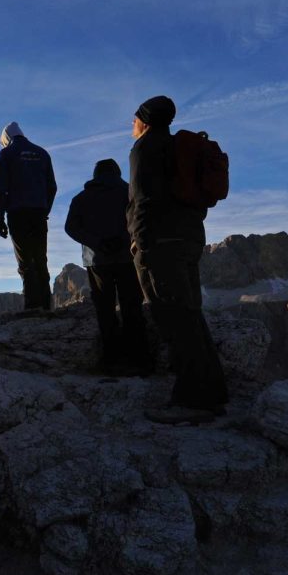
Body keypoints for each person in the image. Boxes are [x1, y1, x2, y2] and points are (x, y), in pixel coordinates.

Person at [127, 96, 228, 423]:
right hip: (189, 240)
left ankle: (193, 401)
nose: (131, 126)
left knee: (172, 316)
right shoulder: (179, 148)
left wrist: (139, 243)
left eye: (133, 119)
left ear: (144, 120)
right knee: (190, 313)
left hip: (160, 243)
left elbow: (141, 200)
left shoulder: (144, 149)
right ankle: (213, 391)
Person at [64, 158, 151, 375]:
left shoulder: (81, 198)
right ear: (117, 173)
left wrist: (96, 242)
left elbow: (71, 227)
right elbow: (142, 219)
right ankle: (138, 359)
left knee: (105, 309)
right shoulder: (130, 192)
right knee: (132, 306)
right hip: (127, 258)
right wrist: (126, 240)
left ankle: (112, 359)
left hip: (97, 261)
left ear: (95, 175)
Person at [0, 122, 57, 311]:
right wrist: (44, 210)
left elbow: (1, 190)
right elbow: (52, 187)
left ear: (6, 137)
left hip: (17, 213)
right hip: (38, 213)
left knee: (25, 260)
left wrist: (0, 218)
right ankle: (46, 304)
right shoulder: (42, 153)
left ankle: (32, 305)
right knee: (40, 258)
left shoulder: (5, 154)